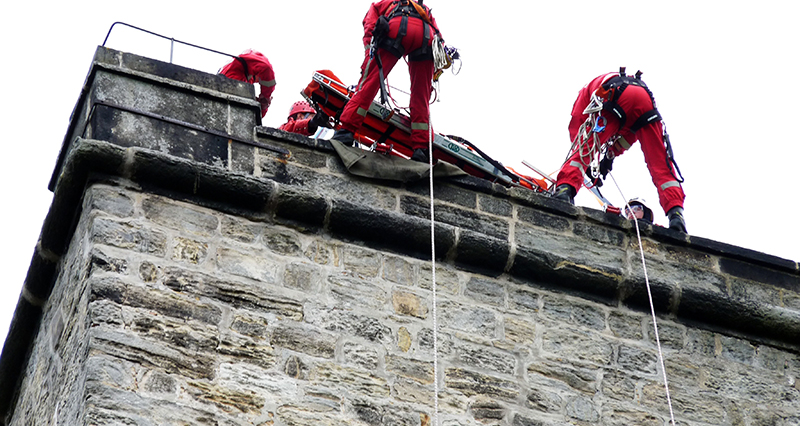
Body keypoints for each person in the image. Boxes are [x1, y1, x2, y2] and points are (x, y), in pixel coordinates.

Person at [552, 69, 687, 233]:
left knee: (582, 152)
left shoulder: (586, 93)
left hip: (616, 97)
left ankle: (565, 191)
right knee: (661, 165)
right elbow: (630, 135)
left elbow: (578, 129)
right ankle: (676, 215)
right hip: (645, 102)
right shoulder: (619, 85)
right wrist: (609, 156)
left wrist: (586, 163)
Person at [332, 0, 442, 162]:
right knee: (421, 96)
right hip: (427, 38)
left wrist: (369, 50)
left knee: (369, 84)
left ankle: (346, 131)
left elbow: (370, 24)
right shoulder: (424, 9)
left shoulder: (386, 3)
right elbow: (439, 36)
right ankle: (422, 149)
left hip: (397, 28)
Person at [219, 49, 276, 118]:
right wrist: (266, 95)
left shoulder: (243, 78)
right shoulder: (241, 63)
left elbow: (255, 116)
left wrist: (263, 105)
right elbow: (266, 68)